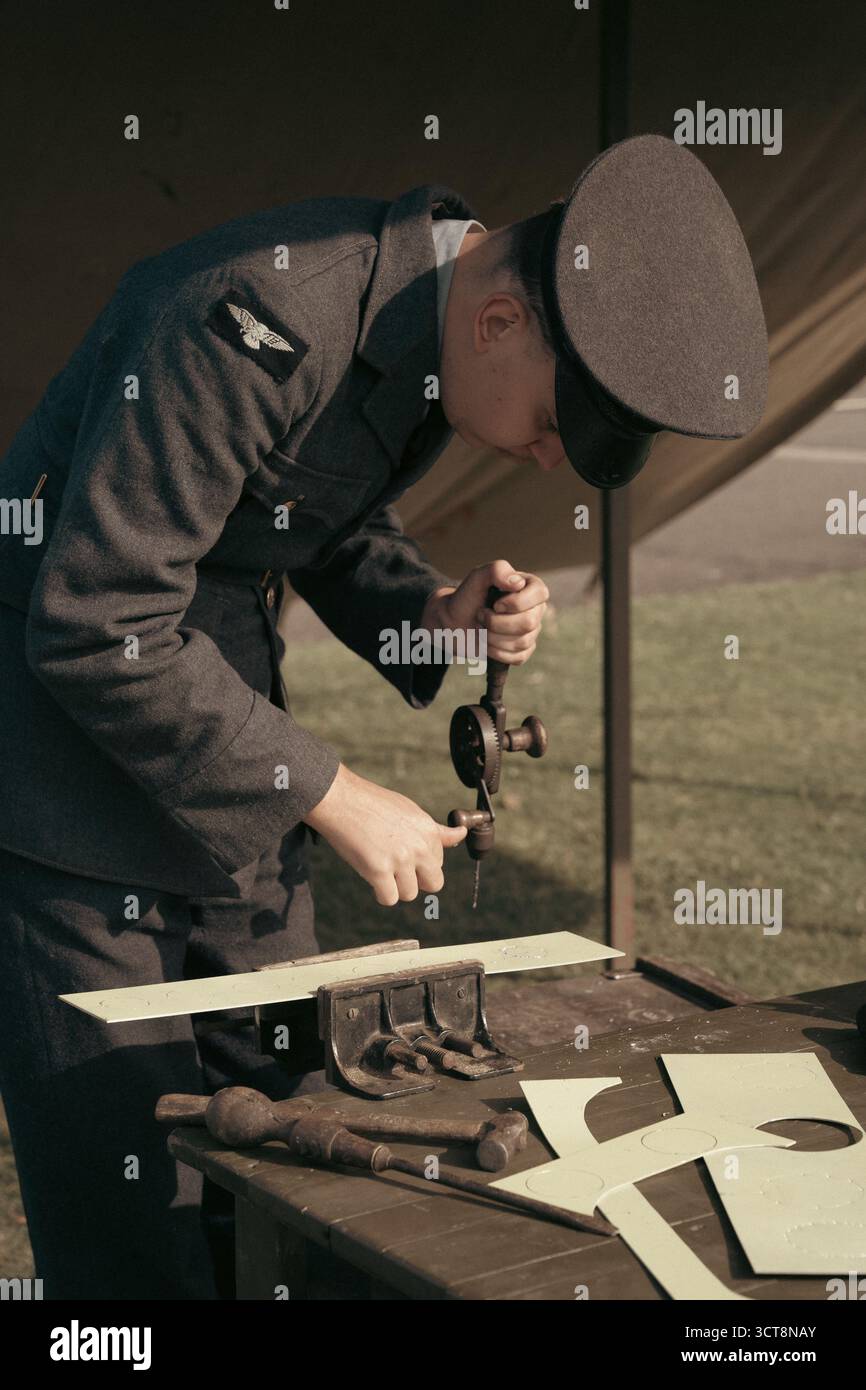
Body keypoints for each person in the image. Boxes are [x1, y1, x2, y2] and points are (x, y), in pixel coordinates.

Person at [0, 134, 767, 1298]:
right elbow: (99, 613)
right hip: (68, 792)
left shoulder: (426, 326)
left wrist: (436, 615)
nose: (546, 458)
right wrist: (332, 791)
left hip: (220, 775)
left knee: (308, 1170)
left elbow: (303, 514)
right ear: (501, 322)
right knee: (131, 1230)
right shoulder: (259, 316)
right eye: (558, 426)